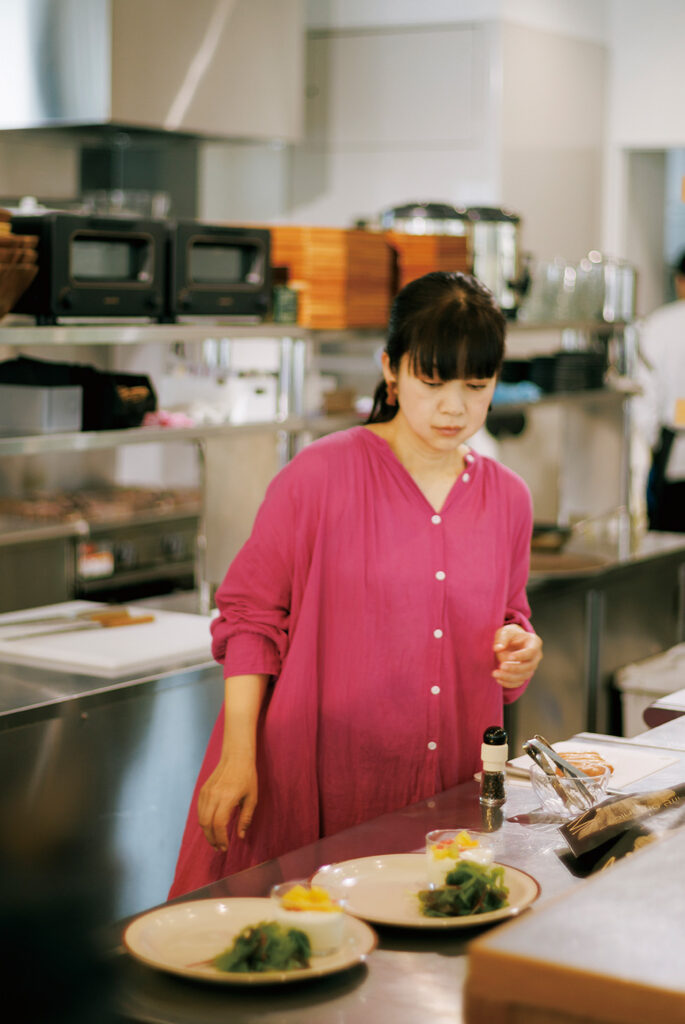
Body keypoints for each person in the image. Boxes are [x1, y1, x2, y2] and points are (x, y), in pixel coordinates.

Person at [169, 271, 543, 898]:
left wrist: (519, 648)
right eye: (432, 382)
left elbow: (509, 619)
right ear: (391, 370)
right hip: (315, 784)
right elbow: (250, 620)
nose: (454, 407)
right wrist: (237, 755)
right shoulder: (320, 476)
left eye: (475, 386)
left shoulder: (508, 498)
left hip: (444, 793)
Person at [635, 251, 685, 532]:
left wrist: (650, 443)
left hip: (674, 457)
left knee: (672, 545)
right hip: (674, 449)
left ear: (680, 281)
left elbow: (646, 397)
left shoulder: (661, 325)